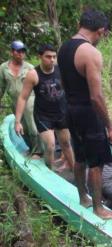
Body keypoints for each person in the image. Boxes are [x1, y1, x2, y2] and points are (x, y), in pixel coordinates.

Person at [57, 10, 112, 219]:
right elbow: (96, 96)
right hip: (87, 113)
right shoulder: (90, 52)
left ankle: (83, 197)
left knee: (80, 155)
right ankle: (98, 208)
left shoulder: (64, 48)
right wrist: (110, 127)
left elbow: (65, 84)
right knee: (96, 163)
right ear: (101, 31)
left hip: (71, 108)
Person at [15, 44, 74, 172]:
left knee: (66, 143)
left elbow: (70, 89)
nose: (52, 60)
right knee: (50, 145)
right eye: (48, 57)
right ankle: (51, 170)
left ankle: (74, 169)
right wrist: (18, 121)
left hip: (62, 113)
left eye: (54, 57)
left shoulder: (61, 70)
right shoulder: (33, 74)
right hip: (43, 115)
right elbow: (23, 98)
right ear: (40, 57)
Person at [0, 40, 42, 157]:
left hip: (29, 99)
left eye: (23, 51)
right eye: (18, 51)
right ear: (12, 52)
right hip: (15, 101)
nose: (21, 54)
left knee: (32, 125)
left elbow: (38, 85)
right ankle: (31, 147)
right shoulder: (3, 68)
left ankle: (38, 151)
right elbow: (1, 86)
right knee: (21, 127)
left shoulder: (29, 67)